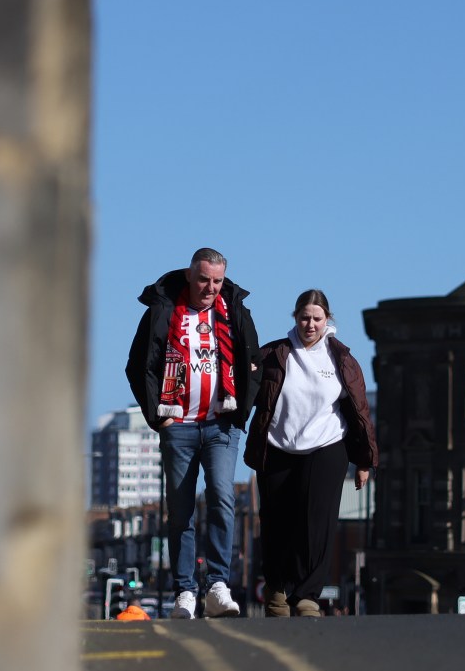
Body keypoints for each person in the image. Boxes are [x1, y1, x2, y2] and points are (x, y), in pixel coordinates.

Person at [126, 247, 263, 618]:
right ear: (189, 275)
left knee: (222, 495)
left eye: (217, 281)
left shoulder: (234, 310)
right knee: (181, 511)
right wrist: (158, 418)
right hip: (179, 425)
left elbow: (254, 362)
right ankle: (185, 590)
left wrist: (240, 413)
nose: (210, 287)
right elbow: (138, 367)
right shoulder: (163, 310)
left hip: (221, 425)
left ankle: (218, 585)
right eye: (204, 279)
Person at [246, 290, 378, 618]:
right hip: (277, 446)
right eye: (305, 317)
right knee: (276, 522)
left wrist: (364, 460)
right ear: (295, 317)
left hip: (327, 445)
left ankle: (306, 596)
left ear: (327, 320)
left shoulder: (342, 360)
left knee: (316, 522)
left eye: (317, 318)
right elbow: (244, 391)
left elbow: (360, 411)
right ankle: (276, 590)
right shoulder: (276, 354)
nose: (310, 324)